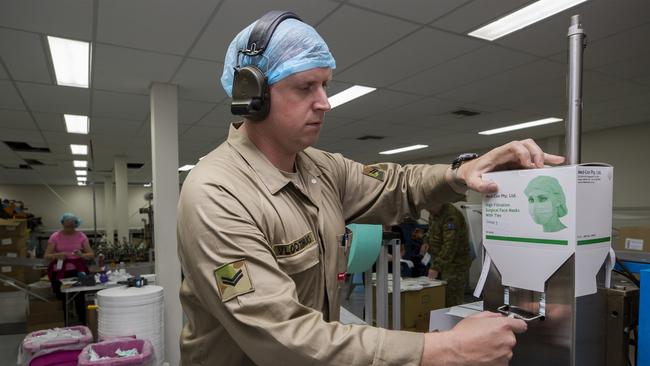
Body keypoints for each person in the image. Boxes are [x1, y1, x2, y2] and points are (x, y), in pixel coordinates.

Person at [177, 10, 565, 366]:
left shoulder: (320, 170)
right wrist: (444, 349)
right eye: (306, 87)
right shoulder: (216, 192)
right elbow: (283, 338)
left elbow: (397, 185)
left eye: (325, 85)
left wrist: (461, 173)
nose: (325, 102)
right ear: (253, 97)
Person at [44, 213, 94, 325]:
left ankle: (83, 323)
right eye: (66, 226)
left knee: (80, 298)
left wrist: (82, 255)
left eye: (72, 226)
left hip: (77, 270)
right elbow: (46, 255)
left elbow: (91, 254)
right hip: (60, 272)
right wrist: (58, 255)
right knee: (62, 299)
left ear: (76, 225)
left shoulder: (81, 236)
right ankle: (64, 324)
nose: (69, 229)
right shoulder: (55, 236)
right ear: (62, 224)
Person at [426, 203, 472, 307]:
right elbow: (431, 232)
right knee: (439, 299)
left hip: (455, 266)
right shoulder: (433, 213)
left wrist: (436, 267)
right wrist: (426, 241)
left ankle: (454, 323)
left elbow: (450, 245)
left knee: (452, 301)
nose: (428, 211)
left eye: (429, 207)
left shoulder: (451, 216)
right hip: (441, 262)